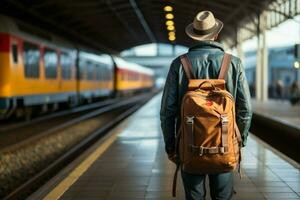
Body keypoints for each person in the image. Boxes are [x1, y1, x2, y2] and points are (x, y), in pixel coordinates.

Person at [160, 11, 252, 200]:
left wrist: (171, 145)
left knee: (194, 197)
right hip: (225, 145)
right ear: (216, 34)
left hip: (189, 144)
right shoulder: (233, 63)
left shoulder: (179, 64)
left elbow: (167, 111)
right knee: (223, 197)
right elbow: (245, 110)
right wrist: (239, 139)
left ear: (194, 35)